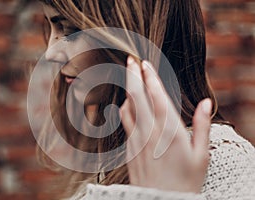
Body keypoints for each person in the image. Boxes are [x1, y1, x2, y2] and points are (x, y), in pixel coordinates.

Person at [35, 0, 255, 199]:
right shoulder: (112, 160)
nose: (50, 53)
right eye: (51, 27)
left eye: (70, 29)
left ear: (130, 32)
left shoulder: (229, 167)